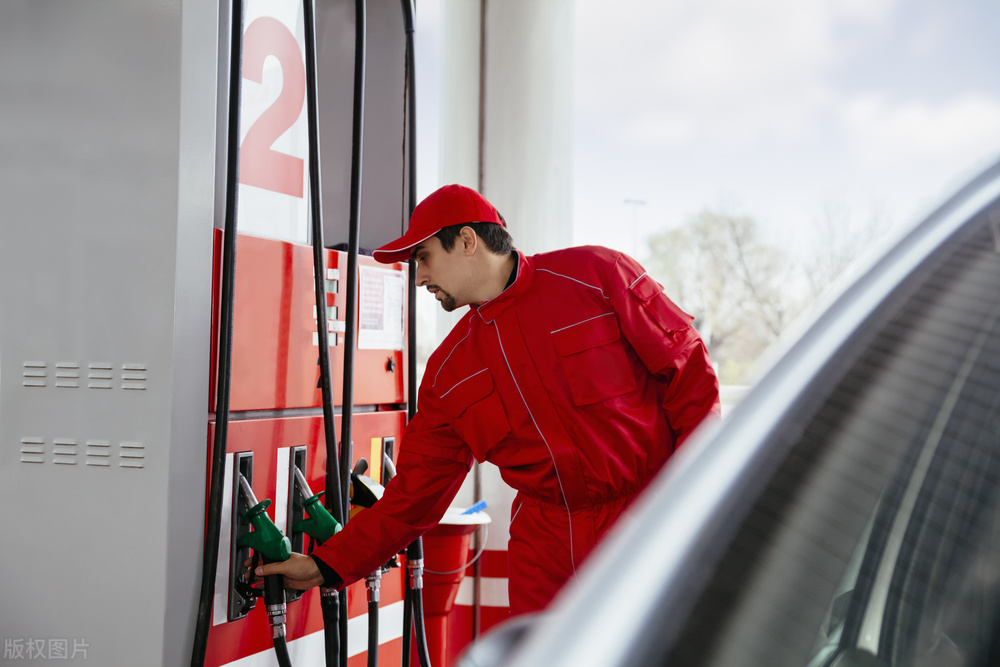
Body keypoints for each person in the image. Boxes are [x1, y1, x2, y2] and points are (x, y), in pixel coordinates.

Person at [256, 184, 721, 614]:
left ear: (466, 241)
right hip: (546, 549)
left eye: (423, 258)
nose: (418, 278)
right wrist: (326, 566)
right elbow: (413, 495)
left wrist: (695, 496)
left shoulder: (597, 275)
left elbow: (690, 376)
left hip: (647, 519)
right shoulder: (447, 373)